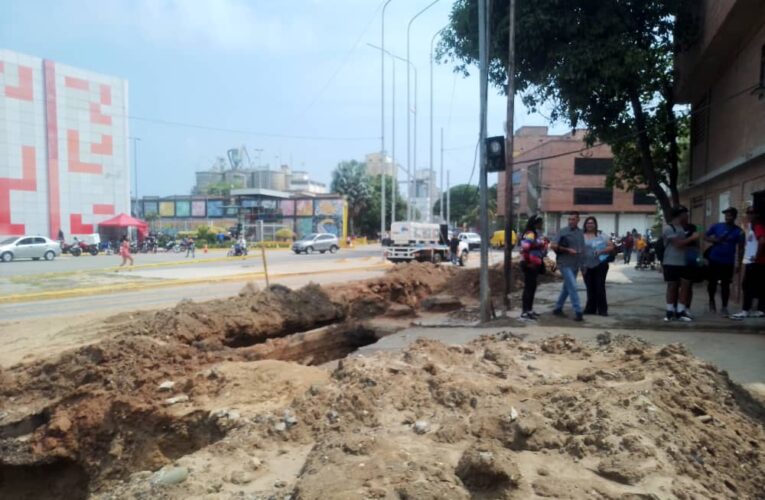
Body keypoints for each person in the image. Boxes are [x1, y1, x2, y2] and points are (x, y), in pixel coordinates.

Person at [704, 207, 745, 316]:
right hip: (714, 259)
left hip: (728, 261)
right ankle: (711, 301)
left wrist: (739, 263)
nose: (728, 217)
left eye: (730, 215)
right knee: (712, 283)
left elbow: (741, 249)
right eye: (726, 215)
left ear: (734, 217)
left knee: (726, 285)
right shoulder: (717, 226)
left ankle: (724, 307)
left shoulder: (739, 231)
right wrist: (715, 240)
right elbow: (705, 236)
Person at [662, 206, 696, 322]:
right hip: (671, 261)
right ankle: (670, 311)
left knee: (685, 286)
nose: (687, 216)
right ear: (680, 215)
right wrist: (692, 238)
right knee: (672, 286)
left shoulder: (686, 227)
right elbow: (678, 244)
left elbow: (700, 232)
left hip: (685, 262)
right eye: (685, 214)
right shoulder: (668, 228)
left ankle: (681, 311)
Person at [731, 206, 765, 320]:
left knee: (747, 286)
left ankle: (745, 310)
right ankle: (759, 310)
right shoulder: (750, 227)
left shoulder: (758, 226)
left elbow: (762, 241)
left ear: (757, 215)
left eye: (752, 213)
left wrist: (757, 256)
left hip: (756, 262)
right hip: (753, 261)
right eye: (748, 213)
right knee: (757, 285)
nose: (749, 215)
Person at [550, 211, 585, 321]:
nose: (571, 221)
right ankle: (578, 311)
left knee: (567, 288)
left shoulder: (580, 233)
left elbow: (582, 250)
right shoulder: (563, 232)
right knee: (573, 287)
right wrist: (567, 250)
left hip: (575, 264)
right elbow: (553, 245)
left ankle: (557, 308)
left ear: (578, 220)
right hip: (564, 263)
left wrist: (582, 265)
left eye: (573, 219)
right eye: (569, 219)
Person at [582, 216, 615, 316]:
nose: (590, 225)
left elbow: (611, 246)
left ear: (595, 225)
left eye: (592, 223)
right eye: (588, 223)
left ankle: (602, 309)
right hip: (586, 265)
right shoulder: (581, 236)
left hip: (600, 264)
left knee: (599, 286)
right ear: (585, 225)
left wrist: (601, 251)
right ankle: (590, 308)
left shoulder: (602, 235)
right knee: (589, 287)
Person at [519, 216, 547, 320]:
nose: (541, 225)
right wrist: (528, 262)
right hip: (529, 264)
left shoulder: (535, 233)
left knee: (532, 287)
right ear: (535, 223)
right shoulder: (530, 233)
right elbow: (525, 248)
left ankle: (529, 310)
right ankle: (525, 311)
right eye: (540, 223)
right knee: (528, 288)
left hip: (535, 264)